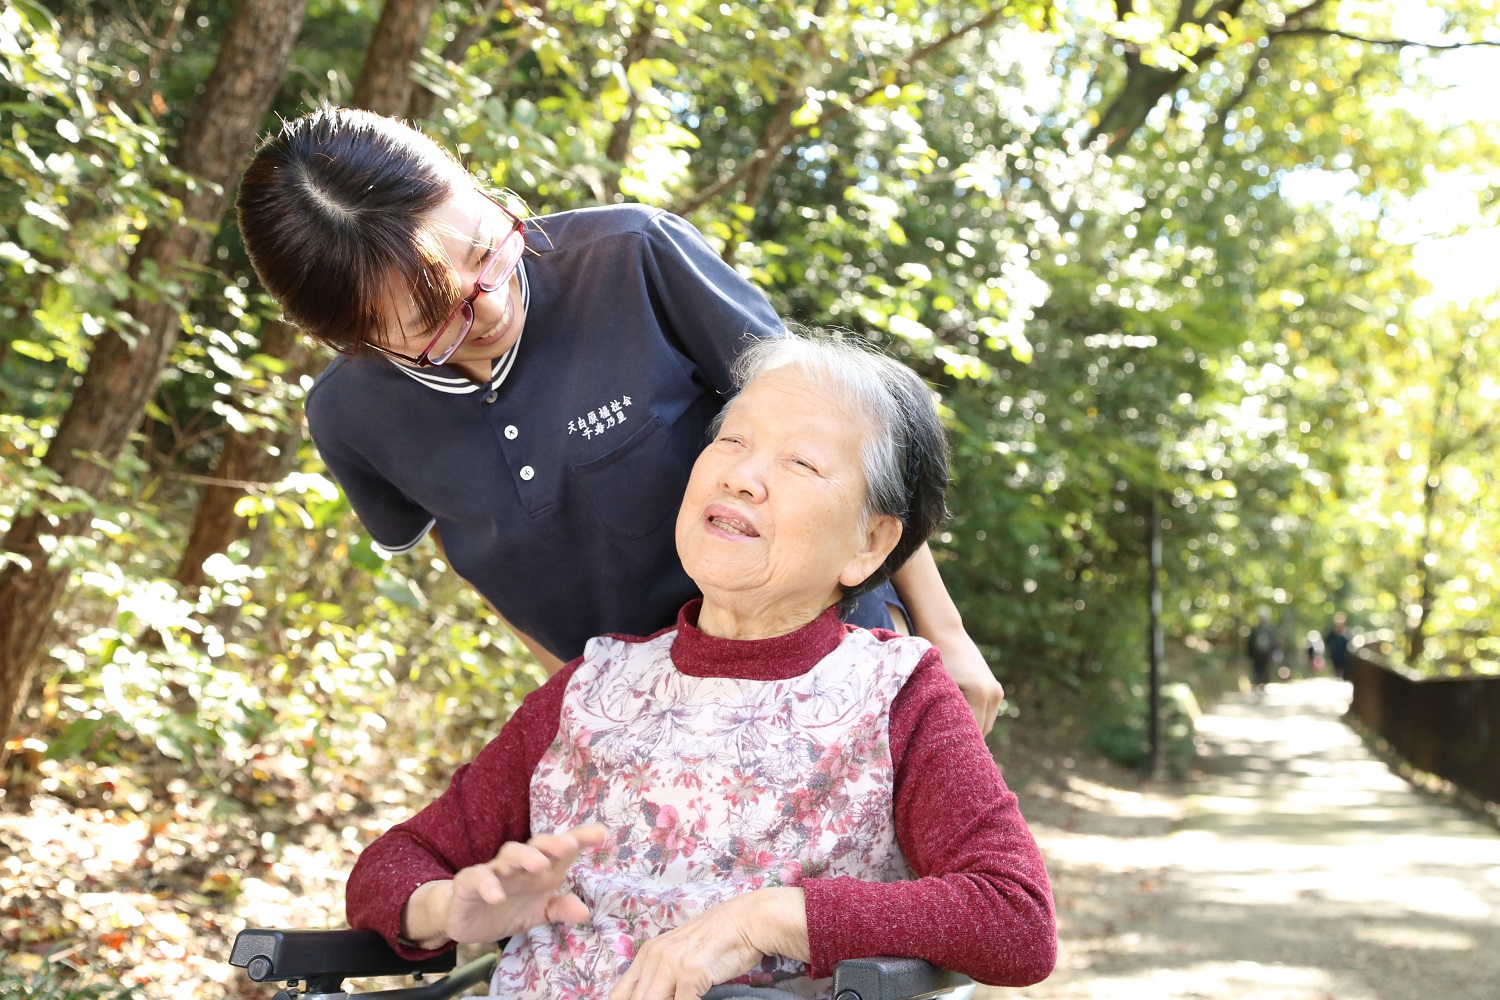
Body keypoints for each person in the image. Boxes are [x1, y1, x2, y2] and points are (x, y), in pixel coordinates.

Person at [234, 106, 1004, 731]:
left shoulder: (633, 256)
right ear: (356, 338)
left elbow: (850, 442)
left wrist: (948, 637)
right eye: (436, 317)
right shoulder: (350, 417)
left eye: (485, 248)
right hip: (650, 715)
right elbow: (472, 555)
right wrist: (583, 698)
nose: (493, 303)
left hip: (832, 657)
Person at [343, 336, 1057, 999]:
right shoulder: (592, 689)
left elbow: (1014, 917)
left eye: (801, 462)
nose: (742, 475)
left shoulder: (896, 695)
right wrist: (450, 906)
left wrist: (761, 922)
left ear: (868, 545)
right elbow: (394, 863)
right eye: (732, 439)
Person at [1247, 609, 1277, 691]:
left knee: (1257, 668)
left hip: (1256, 654)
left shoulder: (1255, 629)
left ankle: (1258, 683)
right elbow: (1274, 642)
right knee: (1265, 667)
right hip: (1266, 654)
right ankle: (1263, 684)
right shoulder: (1270, 629)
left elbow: (1250, 643)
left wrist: (1249, 654)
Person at [1325, 613, 1352, 681]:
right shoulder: (1332, 634)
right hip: (1335, 655)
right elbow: (1327, 642)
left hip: (1344, 656)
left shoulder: (1346, 634)